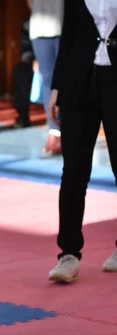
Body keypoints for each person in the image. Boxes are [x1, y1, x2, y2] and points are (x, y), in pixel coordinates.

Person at [47, 0, 117, 282]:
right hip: (78, 82)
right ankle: (68, 253)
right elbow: (69, 36)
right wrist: (56, 88)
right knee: (74, 170)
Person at [30, 0, 63, 155]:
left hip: (66, 24)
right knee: (47, 79)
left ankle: (70, 129)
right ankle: (55, 132)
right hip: (40, 27)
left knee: (68, 77)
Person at [13, 0, 36, 128]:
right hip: (33, 62)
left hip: (54, 62)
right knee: (19, 71)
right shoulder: (27, 23)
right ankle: (23, 116)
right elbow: (24, 47)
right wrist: (32, 60)